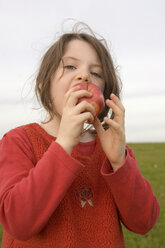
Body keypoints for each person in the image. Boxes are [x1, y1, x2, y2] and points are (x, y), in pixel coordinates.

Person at [0, 22, 159, 248]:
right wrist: (64, 143)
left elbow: (144, 222)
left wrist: (118, 161)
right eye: (71, 67)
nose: (85, 75)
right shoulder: (18, 141)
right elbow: (18, 222)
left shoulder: (111, 149)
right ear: (43, 82)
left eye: (96, 73)